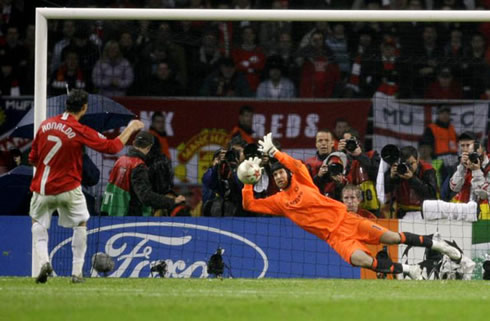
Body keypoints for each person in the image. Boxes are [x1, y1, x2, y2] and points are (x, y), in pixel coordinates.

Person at [242, 133, 462, 279]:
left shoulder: (302, 179)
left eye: (281, 172)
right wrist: (247, 182)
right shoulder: (279, 202)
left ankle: (439, 245)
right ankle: (410, 270)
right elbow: (249, 204)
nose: (279, 176)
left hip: (348, 220)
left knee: (393, 238)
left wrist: (274, 152)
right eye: (276, 174)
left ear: (287, 173)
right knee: (362, 261)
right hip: (335, 237)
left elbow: (295, 164)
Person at [28, 89, 144, 284]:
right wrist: (131, 127)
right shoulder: (79, 130)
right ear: (84, 107)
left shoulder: (45, 125)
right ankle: (76, 273)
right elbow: (112, 147)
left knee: (37, 222)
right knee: (80, 225)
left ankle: (44, 262)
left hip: (43, 188)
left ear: (67, 104)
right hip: (69, 188)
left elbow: (33, 159)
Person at [101, 131, 185, 217]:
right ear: (149, 148)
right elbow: (145, 196)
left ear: (133, 143)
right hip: (127, 218)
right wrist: (172, 201)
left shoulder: (120, 160)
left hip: (109, 214)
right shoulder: (138, 165)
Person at [384, 146, 438, 219]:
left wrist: (412, 179)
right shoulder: (397, 169)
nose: (408, 168)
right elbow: (384, 192)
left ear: (418, 160)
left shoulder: (427, 170)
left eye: (411, 164)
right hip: (402, 213)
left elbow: (431, 195)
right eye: (405, 164)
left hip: (424, 213)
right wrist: (390, 178)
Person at [449, 133, 490, 219]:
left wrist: (476, 170)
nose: (465, 149)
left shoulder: (488, 165)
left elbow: (485, 194)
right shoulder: (460, 165)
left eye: (468, 145)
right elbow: (454, 187)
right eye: (462, 146)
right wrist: (462, 168)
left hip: (485, 216)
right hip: (463, 214)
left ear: (479, 147)